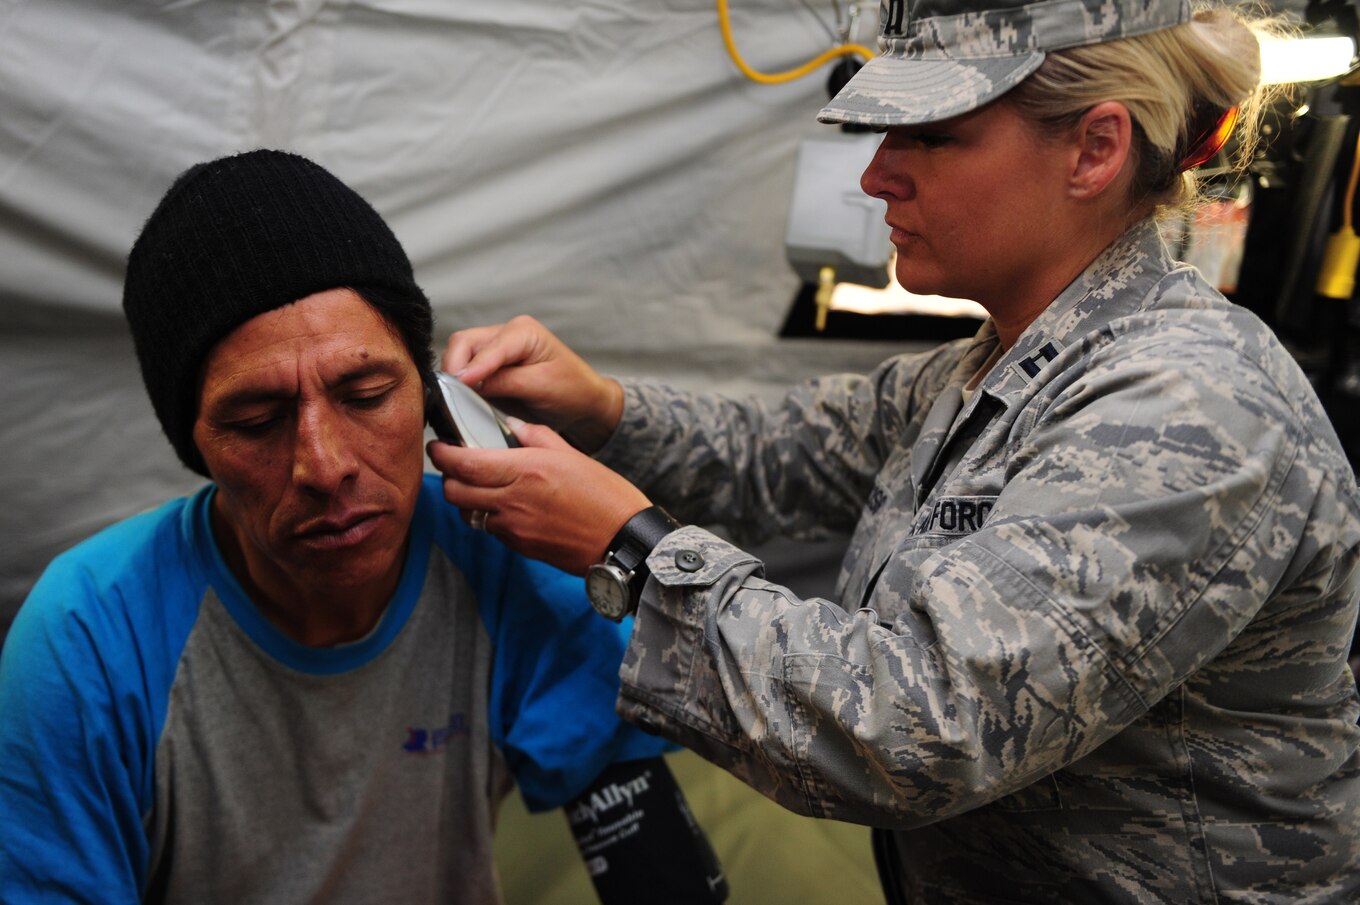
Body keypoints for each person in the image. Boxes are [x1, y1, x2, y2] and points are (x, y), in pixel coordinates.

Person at [427, 0, 1360, 901]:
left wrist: (629, 549)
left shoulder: (1187, 406)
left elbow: (914, 726)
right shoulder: (996, 365)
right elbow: (776, 454)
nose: (876, 176)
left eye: (933, 137)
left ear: (1095, 149)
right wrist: (602, 410)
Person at [0, 150, 728, 905]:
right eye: (257, 421)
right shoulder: (88, 637)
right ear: (197, 445)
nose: (325, 465)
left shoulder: (504, 559)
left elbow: (663, 875)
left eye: (367, 394)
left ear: (431, 397)